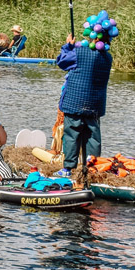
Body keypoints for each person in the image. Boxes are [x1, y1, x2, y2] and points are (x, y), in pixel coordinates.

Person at [55, 26, 114, 178]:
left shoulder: (79, 52)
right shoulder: (107, 58)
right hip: (94, 105)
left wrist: (68, 46)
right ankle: (92, 169)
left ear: (93, 36)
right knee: (93, 137)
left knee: (71, 135)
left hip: (74, 102)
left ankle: (68, 169)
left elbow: (61, 61)